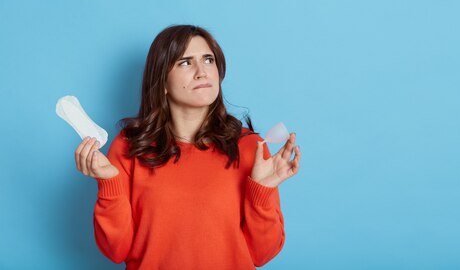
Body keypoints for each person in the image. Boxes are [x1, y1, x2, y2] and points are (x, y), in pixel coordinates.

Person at [74, 25, 301, 269]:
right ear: (161, 80)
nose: (202, 72)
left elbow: (261, 254)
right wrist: (109, 184)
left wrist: (262, 192)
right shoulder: (130, 147)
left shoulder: (251, 147)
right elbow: (116, 250)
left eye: (208, 60)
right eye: (185, 62)